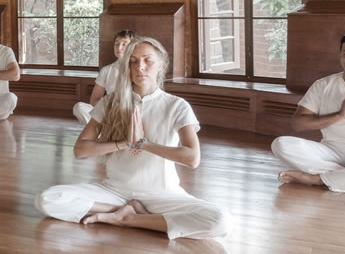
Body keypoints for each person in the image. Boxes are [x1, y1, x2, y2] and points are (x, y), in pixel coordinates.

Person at [35, 37, 230, 239]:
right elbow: (80, 150)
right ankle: (124, 212)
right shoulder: (110, 103)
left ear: (161, 64)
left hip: (162, 194)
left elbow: (192, 158)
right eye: (133, 61)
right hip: (114, 192)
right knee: (48, 199)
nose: (140, 67)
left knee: (219, 220)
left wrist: (143, 144)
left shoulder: (176, 106)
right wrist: (124, 143)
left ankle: (128, 219)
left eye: (148, 60)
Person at [272, 32, 345, 195]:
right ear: (340, 57)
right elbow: (298, 124)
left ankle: (319, 180)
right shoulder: (322, 85)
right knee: (280, 144)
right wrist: (339, 115)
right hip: (331, 151)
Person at [73, 29, 136, 124]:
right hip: (109, 111)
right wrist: (109, 108)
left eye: (124, 44)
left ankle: (104, 131)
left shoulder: (139, 69)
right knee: (79, 107)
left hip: (131, 113)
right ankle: (103, 131)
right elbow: (95, 99)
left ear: (133, 47)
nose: (119, 48)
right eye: (116, 44)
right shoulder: (107, 70)